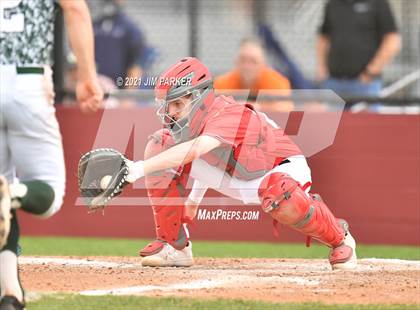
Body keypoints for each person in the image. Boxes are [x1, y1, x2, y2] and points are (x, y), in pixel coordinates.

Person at [115, 57, 357, 270]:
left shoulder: (228, 114)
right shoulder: (192, 122)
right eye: (169, 105)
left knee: (279, 192)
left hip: (279, 169)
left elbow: (197, 150)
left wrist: (136, 169)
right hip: (236, 174)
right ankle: (174, 246)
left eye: (177, 104)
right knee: (160, 144)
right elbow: (203, 154)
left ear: (199, 97)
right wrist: (193, 200)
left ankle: (340, 237)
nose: (171, 111)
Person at [0, 1, 103, 309]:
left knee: (4, 193)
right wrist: (88, 75)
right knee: (48, 192)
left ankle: (10, 294)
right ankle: (11, 193)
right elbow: (75, 9)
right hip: (27, 80)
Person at [317, 0, 401, 104]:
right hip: (333, 83)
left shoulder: (378, 3)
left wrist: (371, 72)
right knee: (331, 120)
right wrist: (322, 68)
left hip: (365, 84)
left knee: (366, 120)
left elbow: (392, 40)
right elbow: (324, 38)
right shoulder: (333, 4)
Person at [214, 38, 293, 112]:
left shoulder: (276, 82)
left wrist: (256, 107)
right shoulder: (222, 83)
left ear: (263, 64)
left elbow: (284, 109)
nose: (247, 66)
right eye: (243, 60)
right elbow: (212, 108)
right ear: (236, 61)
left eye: (253, 61)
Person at [93, 0, 148, 89]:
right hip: (94, 87)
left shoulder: (130, 28)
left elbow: (135, 65)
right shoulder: (93, 25)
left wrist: (128, 96)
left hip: (118, 91)